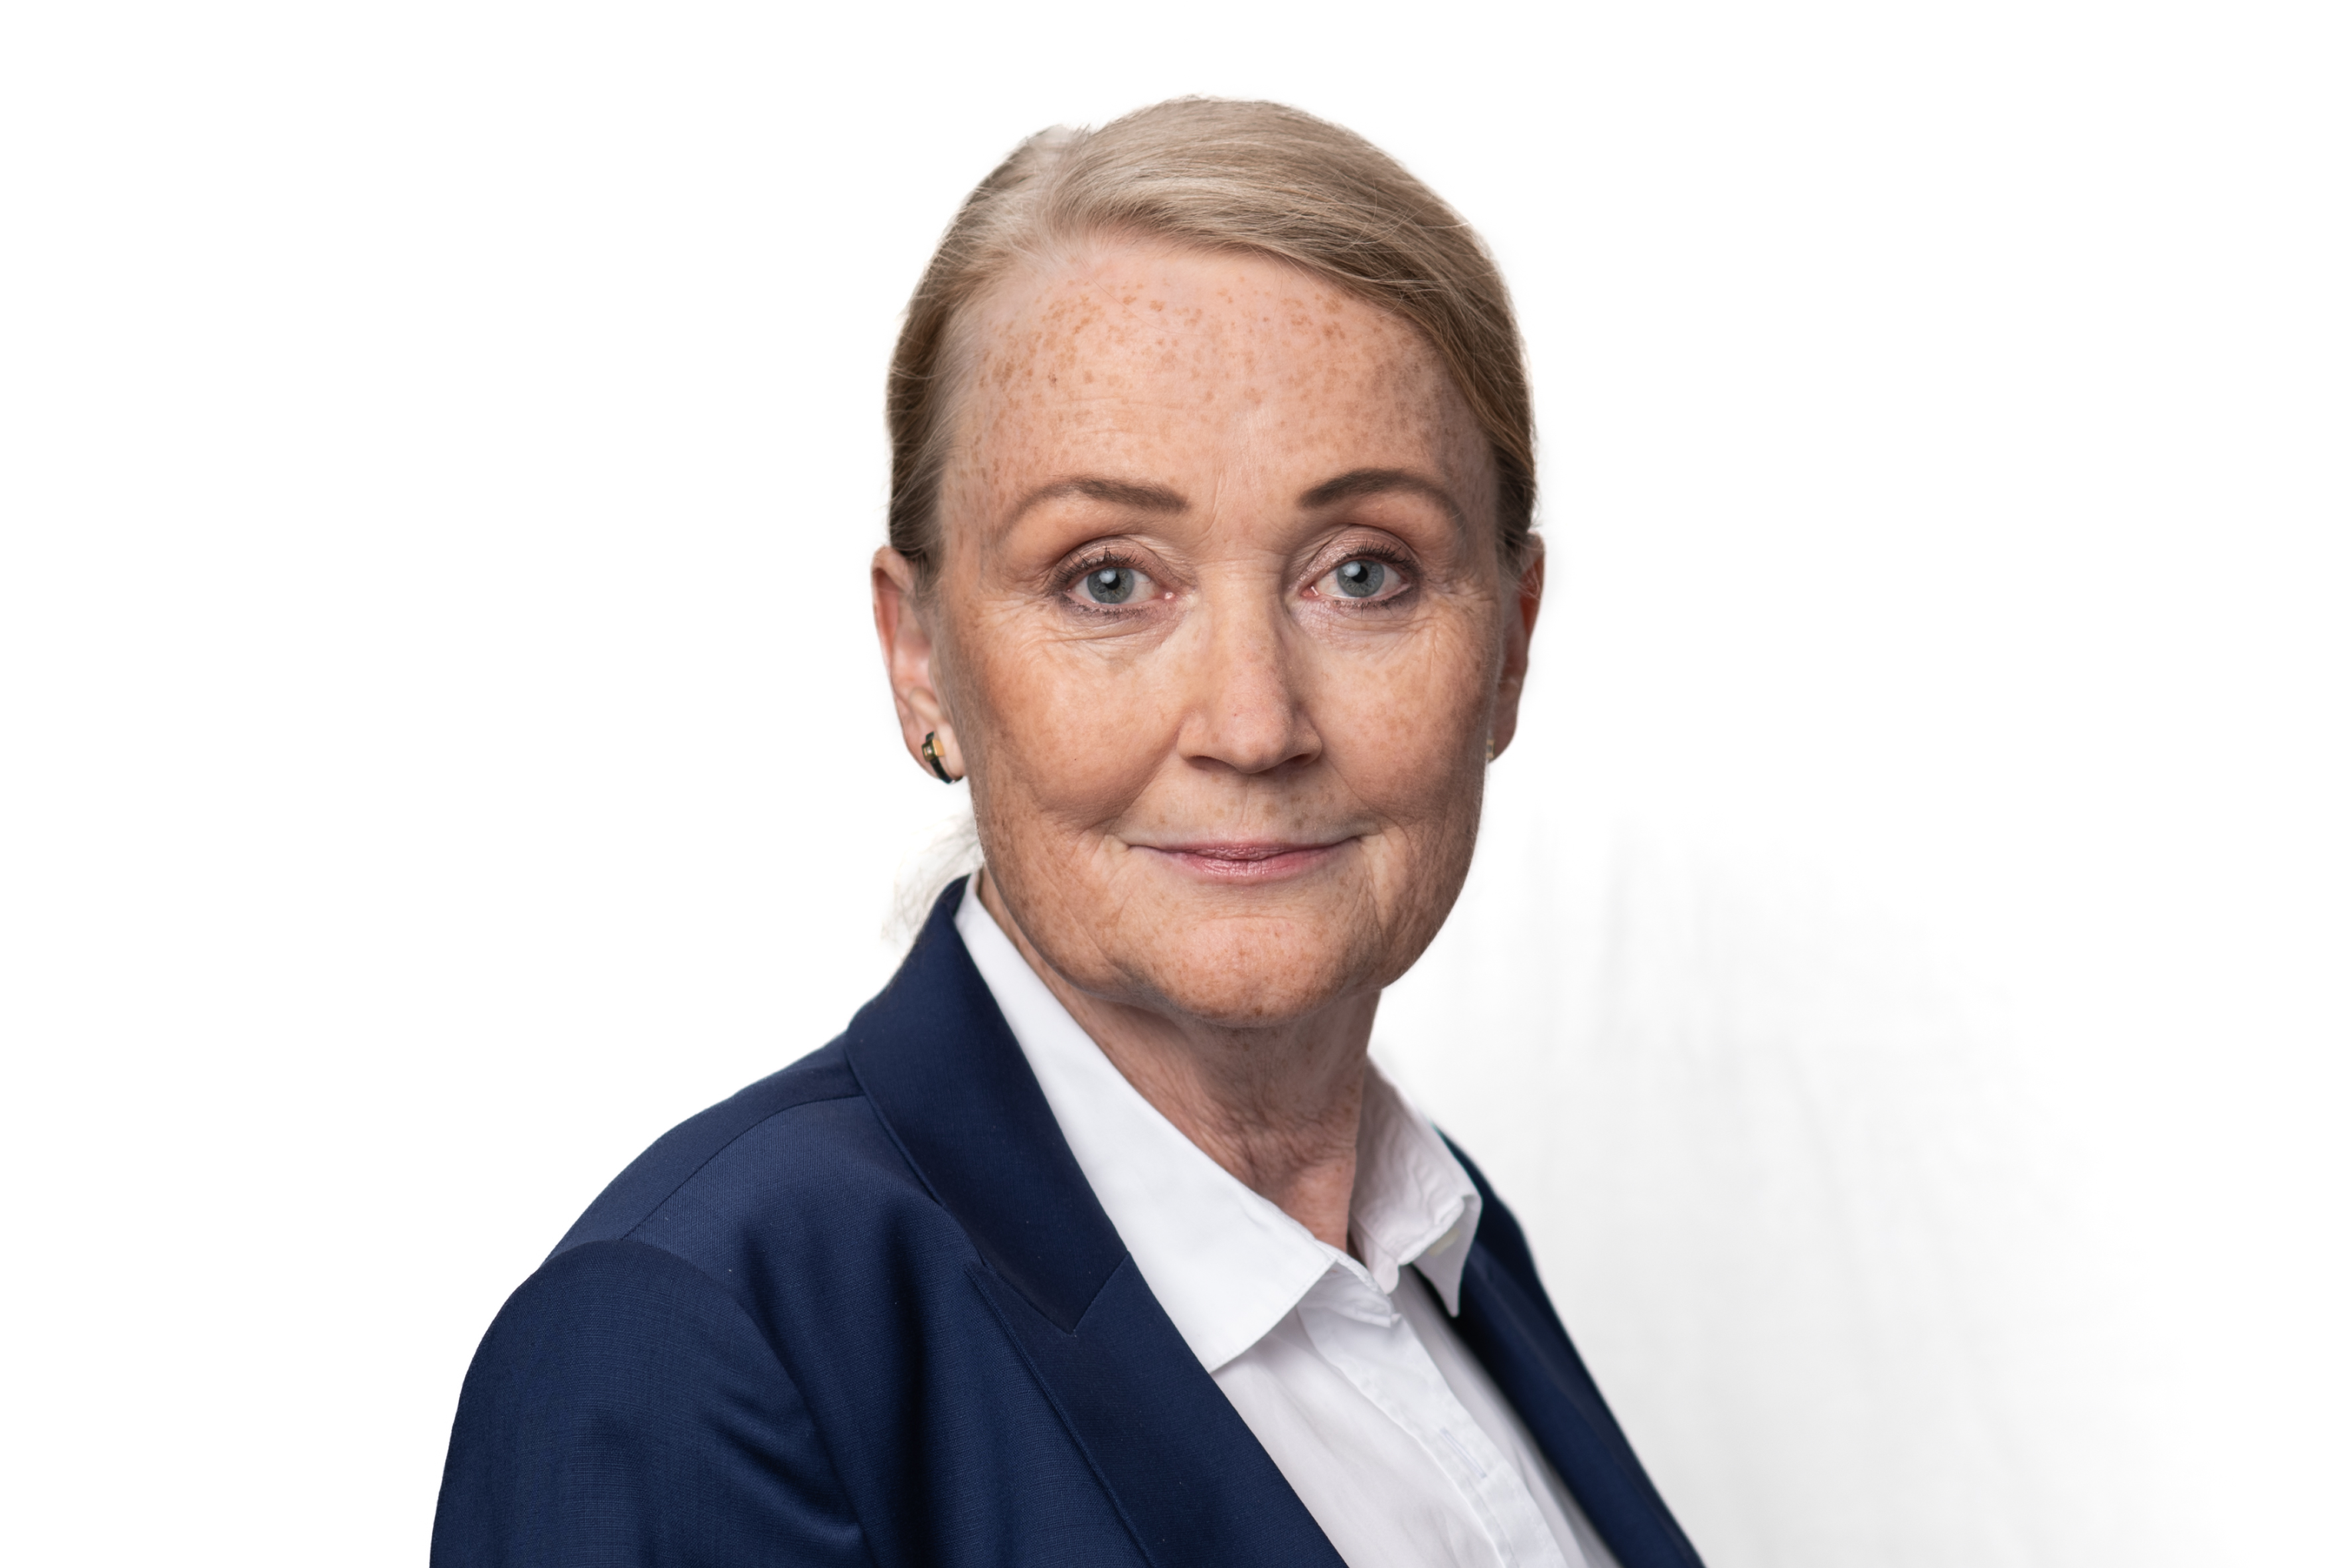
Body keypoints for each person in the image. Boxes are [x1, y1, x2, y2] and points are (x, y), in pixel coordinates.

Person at [432, 97, 1705, 1568]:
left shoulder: (1438, 1253)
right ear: (921, 657)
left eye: (1363, 573)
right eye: (1110, 580)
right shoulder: (696, 1342)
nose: (1251, 723)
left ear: (1510, 643)